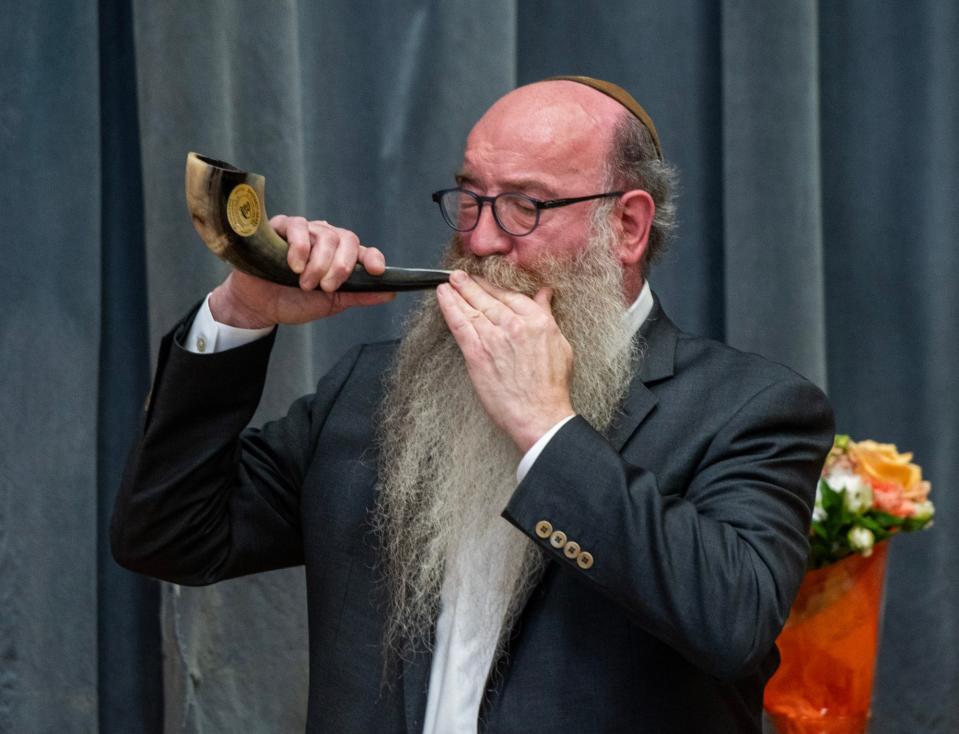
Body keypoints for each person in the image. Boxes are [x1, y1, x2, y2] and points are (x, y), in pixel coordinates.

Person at [112, 76, 835, 733]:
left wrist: (545, 429)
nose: (479, 239)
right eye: (469, 197)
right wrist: (244, 309)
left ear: (626, 226)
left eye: (523, 205)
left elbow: (732, 623)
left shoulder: (748, 408)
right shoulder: (372, 389)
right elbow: (171, 535)